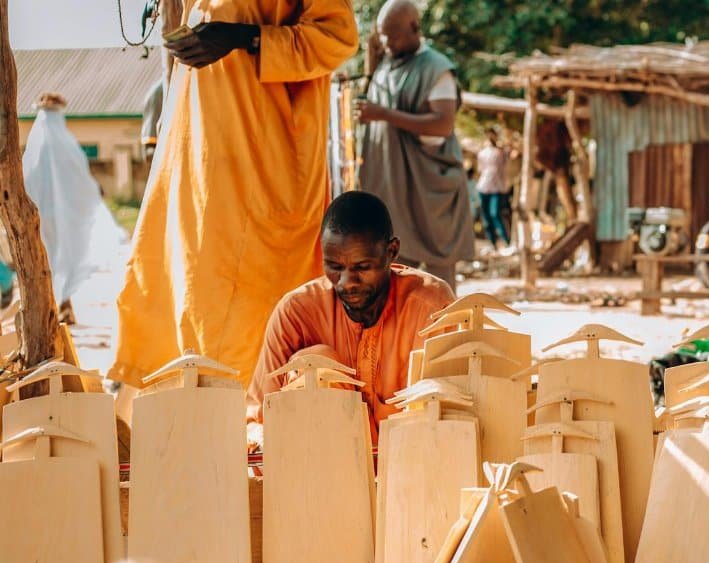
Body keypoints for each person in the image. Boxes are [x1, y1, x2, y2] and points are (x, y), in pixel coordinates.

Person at [108, 1, 358, 391]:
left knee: (255, 320)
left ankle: (256, 424)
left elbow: (337, 38)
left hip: (266, 167)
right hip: (198, 168)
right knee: (189, 291)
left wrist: (245, 37)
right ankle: (194, 414)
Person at [248, 191, 454, 438]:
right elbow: (258, 420)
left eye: (362, 267)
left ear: (392, 251)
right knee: (315, 362)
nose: (347, 283)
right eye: (335, 267)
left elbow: (454, 417)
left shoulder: (430, 308)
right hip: (320, 467)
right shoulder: (295, 314)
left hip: (415, 464)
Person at [356, 0, 472, 291]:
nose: (386, 42)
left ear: (414, 28)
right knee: (397, 277)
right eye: (382, 35)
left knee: (438, 282)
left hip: (429, 190)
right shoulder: (384, 66)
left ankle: (445, 336)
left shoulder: (437, 68)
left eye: (393, 35)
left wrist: (384, 115)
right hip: (394, 190)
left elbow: (442, 124)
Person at [22, 93, 128, 322]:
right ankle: (63, 304)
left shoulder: (33, 148)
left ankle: (59, 305)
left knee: (48, 259)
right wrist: (94, 193)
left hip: (41, 216)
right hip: (67, 216)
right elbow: (82, 179)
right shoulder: (67, 144)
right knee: (66, 256)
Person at [476, 127, 514, 250]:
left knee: (495, 214)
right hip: (484, 187)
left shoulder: (501, 152)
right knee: (487, 217)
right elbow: (480, 169)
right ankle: (493, 243)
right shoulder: (482, 153)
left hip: (497, 188)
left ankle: (506, 241)